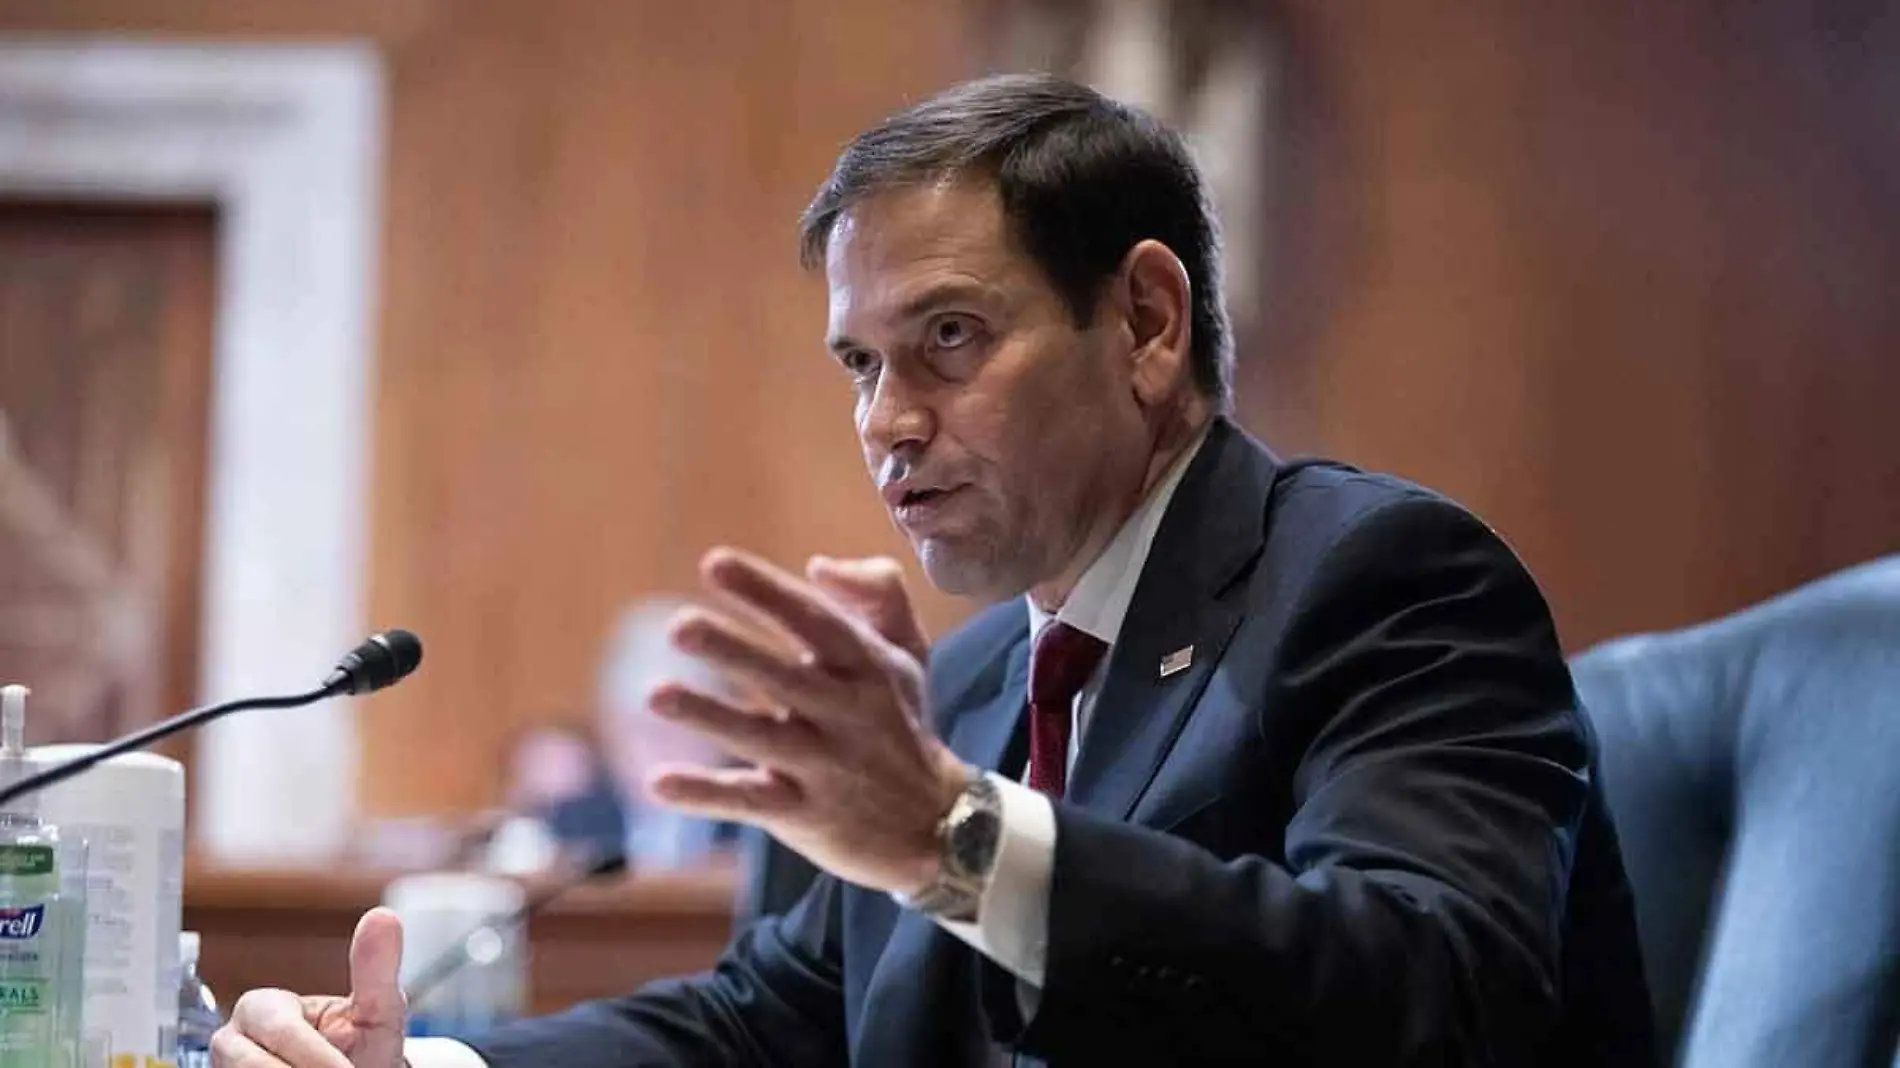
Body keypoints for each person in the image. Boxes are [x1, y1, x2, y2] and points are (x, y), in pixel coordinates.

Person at [211, 73, 1656, 1067]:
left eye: (949, 339)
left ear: (1147, 322)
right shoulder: (971, 688)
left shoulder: (1383, 581)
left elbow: (1435, 995)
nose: (886, 421)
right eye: (861, 363)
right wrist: (431, 1064)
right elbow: (771, 1028)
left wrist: (953, 840)